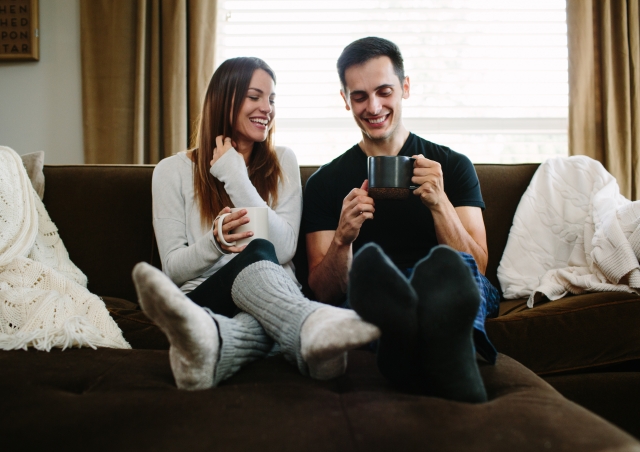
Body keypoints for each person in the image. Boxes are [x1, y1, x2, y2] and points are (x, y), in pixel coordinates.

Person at [132, 56, 380, 391]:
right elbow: (174, 270)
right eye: (255, 96)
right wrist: (214, 243)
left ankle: (217, 342)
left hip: (269, 301)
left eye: (272, 99)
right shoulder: (171, 171)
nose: (267, 108)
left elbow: (284, 248)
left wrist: (235, 177)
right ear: (224, 99)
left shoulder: (283, 162)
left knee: (263, 259)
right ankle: (309, 326)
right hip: (206, 299)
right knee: (258, 248)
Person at [302, 37, 500, 403]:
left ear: (405, 88)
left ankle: (402, 344)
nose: (373, 106)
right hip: (377, 290)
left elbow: (480, 266)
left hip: (445, 286)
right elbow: (323, 291)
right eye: (359, 96)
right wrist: (344, 239)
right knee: (369, 290)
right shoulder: (325, 183)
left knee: (454, 273)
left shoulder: (452, 167)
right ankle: (444, 356)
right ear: (345, 99)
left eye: (384, 91)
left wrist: (440, 204)